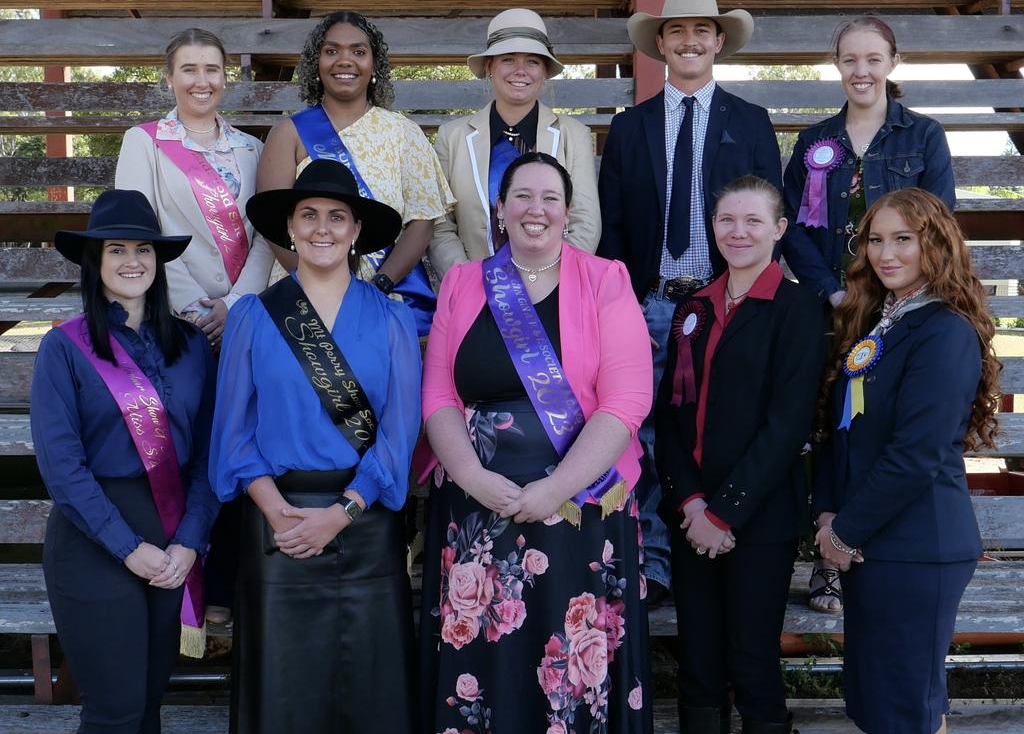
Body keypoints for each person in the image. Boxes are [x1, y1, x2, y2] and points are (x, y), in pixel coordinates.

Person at [420, 152, 653, 733]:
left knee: (571, 670)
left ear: (567, 211)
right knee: (484, 668)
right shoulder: (462, 282)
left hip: (580, 505)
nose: (536, 210)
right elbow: (438, 399)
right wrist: (473, 479)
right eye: (522, 196)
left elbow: (626, 403)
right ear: (499, 209)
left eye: (550, 198)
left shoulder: (606, 280)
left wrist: (556, 488)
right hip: (478, 512)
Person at [210, 159, 421, 734]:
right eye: (308, 215)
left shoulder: (393, 321)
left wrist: (341, 512)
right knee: (284, 693)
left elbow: (400, 438)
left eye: (336, 216)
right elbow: (232, 436)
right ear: (290, 228)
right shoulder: (253, 316)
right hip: (276, 525)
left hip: (365, 521)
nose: (321, 228)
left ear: (356, 231)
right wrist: (279, 513)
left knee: (371, 690)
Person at [598, 0, 782, 608]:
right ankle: (650, 561)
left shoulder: (752, 123)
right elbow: (614, 224)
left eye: (702, 29)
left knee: (718, 427)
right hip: (650, 301)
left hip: (720, 301)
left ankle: (719, 550)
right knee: (642, 432)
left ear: (719, 40)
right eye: (677, 30)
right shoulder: (629, 128)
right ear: (660, 44)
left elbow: (767, 222)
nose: (690, 40)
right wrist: (618, 301)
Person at [781, 16, 955, 614]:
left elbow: (939, 222)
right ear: (836, 65)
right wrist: (833, 291)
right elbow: (794, 233)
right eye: (850, 59)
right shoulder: (814, 143)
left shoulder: (924, 137)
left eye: (873, 59)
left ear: (892, 63)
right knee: (831, 429)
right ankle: (827, 559)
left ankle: (875, 537)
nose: (861, 71)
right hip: (836, 310)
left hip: (901, 312)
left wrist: (892, 295)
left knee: (883, 428)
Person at [30, 190, 220, 733]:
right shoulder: (64, 348)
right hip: (94, 539)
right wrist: (127, 547)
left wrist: (190, 541)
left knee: (148, 706)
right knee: (114, 711)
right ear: (96, 260)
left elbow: (209, 456)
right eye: (116, 250)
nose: (132, 261)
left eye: (143, 249)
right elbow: (63, 469)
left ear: (158, 262)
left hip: (172, 536)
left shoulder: (191, 347)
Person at [814, 187, 999, 734]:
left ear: (935, 245)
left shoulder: (943, 331)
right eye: (875, 239)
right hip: (875, 545)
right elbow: (843, 430)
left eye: (903, 239)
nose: (885, 253)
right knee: (890, 706)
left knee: (902, 710)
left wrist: (845, 533)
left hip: (918, 548)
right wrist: (828, 512)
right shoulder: (882, 323)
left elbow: (916, 455)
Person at [655, 175, 825, 734]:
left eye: (754, 221)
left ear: (779, 229)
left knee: (752, 658)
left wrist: (724, 512)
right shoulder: (693, 308)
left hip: (758, 517)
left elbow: (788, 424)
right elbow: (672, 418)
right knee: (698, 660)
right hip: (693, 514)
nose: (738, 231)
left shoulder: (798, 309)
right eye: (727, 219)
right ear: (713, 227)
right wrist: (692, 505)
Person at [257, 10, 453, 336]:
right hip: (302, 299)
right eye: (331, 51)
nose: (344, 60)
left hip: (386, 296)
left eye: (358, 52)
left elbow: (422, 222)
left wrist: (377, 285)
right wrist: (319, 288)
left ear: (374, 66)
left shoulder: (404, 133)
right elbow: (274, 224)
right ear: (316, 64)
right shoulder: (288, 133)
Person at [115, 27, 273, 349]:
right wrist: (194, 309)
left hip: (244, 317)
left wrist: (235, 303)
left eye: (212, 70)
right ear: (170, 78)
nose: (202, 82)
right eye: (189, 70)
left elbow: (267, 237)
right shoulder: (143, 143)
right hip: (171, 318)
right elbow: (139, 234)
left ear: (224, 78)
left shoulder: (253, 149)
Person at [429, 8, 601, 277]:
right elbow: (440, 224)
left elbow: (585, 222)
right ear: (490, 67)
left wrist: (549, 282)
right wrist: (468, 279)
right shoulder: (452, 137)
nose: (520, 71)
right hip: (473, 291)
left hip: (553, 294)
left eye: (532, 61)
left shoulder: (573, 134)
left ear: (544, 71)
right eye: (508, 59)